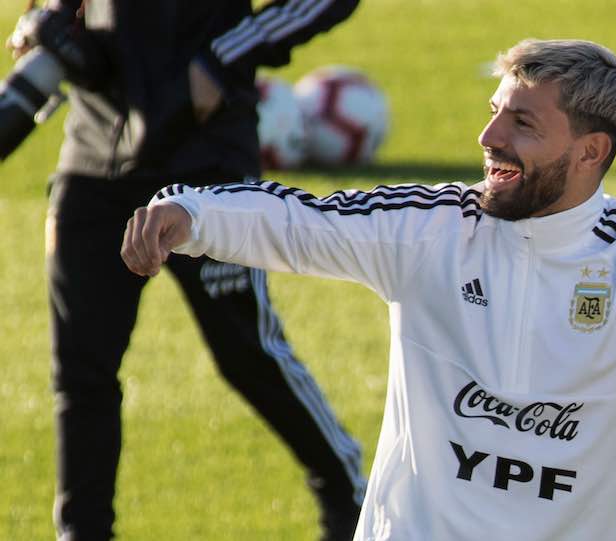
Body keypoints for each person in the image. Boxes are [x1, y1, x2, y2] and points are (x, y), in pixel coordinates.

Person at [122, 38, 616, 540]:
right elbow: (303, 221)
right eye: (494, 115)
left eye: (523, 124)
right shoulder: (432, 229)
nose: (489, 140)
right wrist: (193, 213)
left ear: (591, 151)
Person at [7, 1, 367, 539]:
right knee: (81, 373)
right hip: (94, 156)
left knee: (246, 353)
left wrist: (225, 57)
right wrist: (47, 18)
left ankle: (346, 494)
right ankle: (83, 532)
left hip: (204, 159)